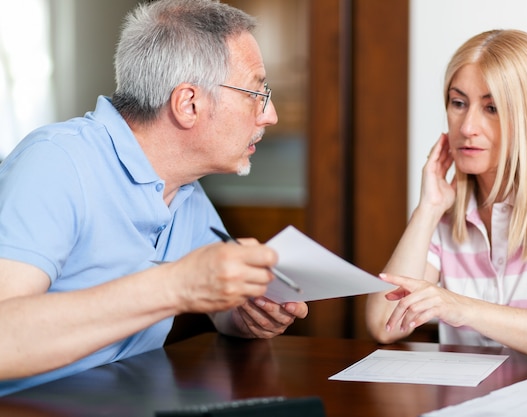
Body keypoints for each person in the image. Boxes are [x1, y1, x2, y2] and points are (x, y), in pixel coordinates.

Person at [0, 0, 307, 395]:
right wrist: (176, 285)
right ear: (188, 104)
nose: (270, 115)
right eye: (255, 92)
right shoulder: (56, 162)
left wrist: (245, 313)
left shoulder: (185, 191)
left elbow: (219, 307)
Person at [365, 29, 527, 363]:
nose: (467, 126)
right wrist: (427, 209)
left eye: (492, 108)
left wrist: (460, 307)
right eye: (458, 103)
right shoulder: (445, 215)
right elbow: (383, 324)